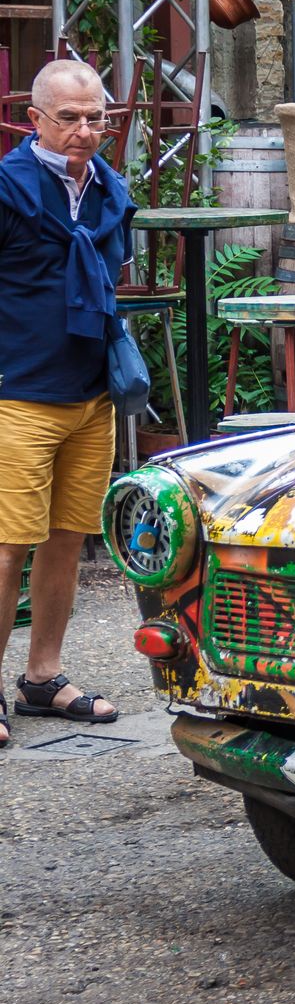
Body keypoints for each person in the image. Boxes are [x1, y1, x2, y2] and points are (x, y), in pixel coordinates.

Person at [0, 59, 136, 745]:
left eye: (96, 118)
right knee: (7, 546)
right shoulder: (6, 186)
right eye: (70, 118)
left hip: (89, 395)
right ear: (36, 120)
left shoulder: (112, 190)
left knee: (65, 540)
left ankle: (42, 677)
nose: (85, 132)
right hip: (17, 392)